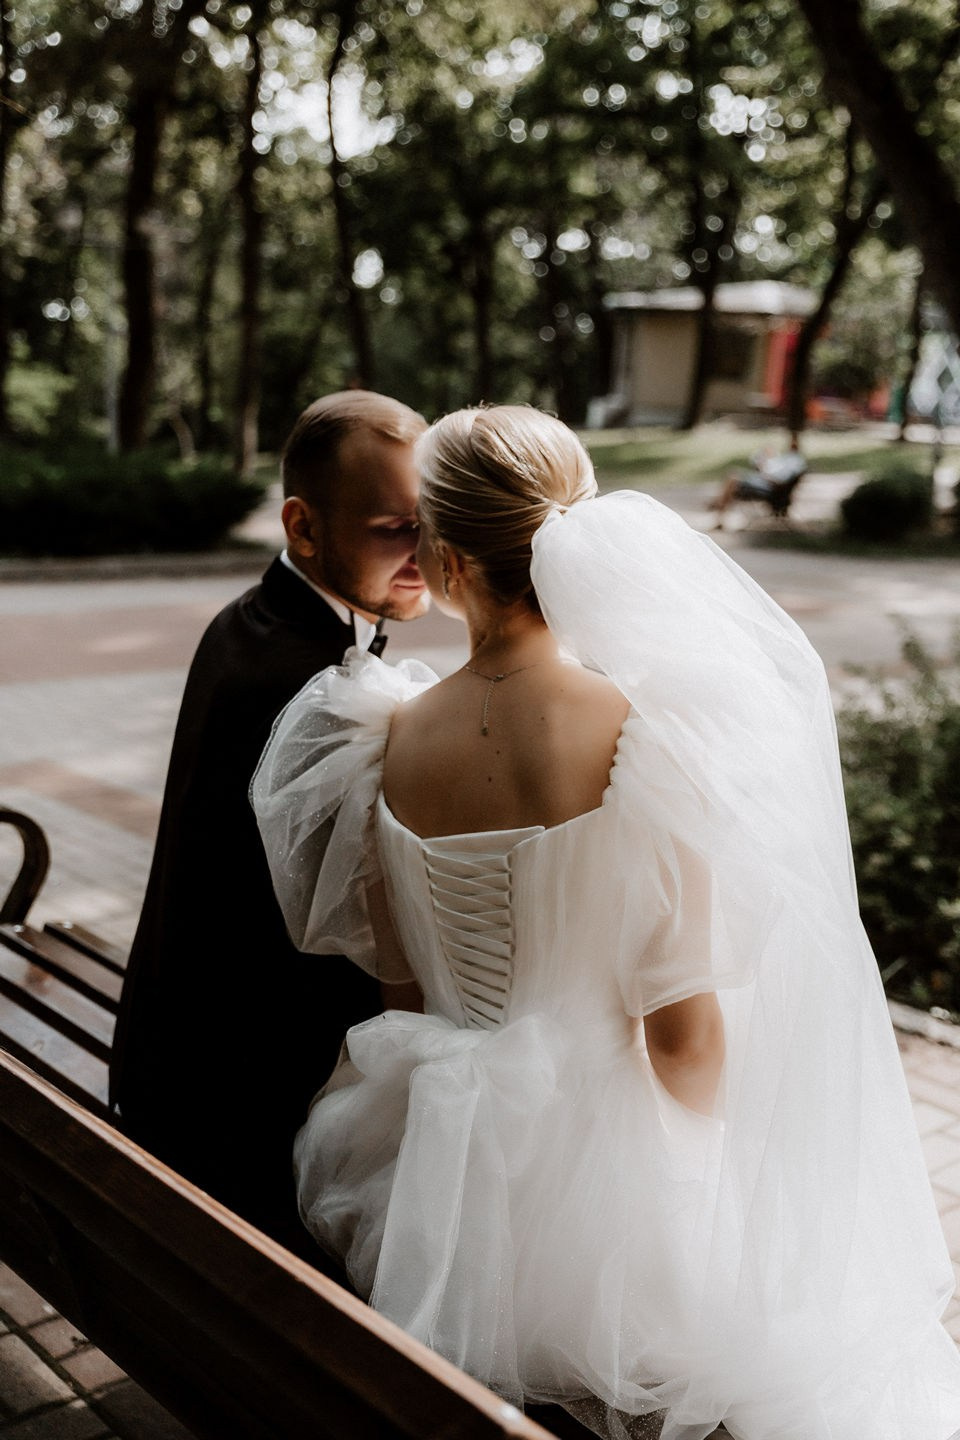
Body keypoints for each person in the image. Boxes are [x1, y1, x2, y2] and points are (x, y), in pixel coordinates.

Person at [252, 406, 960, 1438]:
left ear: (444, 561)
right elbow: (685, 1045)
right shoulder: (644, 742)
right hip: (608, 1206)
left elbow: (401, 991)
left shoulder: (380, 740)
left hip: (436, 1170)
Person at [110, 389, 428, 1258]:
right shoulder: (317, 688)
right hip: (236, 1108)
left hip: (171, 1047)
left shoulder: (249, 624)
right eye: (396, 528)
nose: (426, 553)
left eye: (433, 523)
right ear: (304, 526)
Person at [709, 436, 806, 528]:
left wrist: (765, 474)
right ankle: (717, 505)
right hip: (766, 484)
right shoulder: (789, 459)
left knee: (733, 478)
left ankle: (717, 506)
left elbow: (779, 482)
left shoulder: (795, 461)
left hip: (769, 488)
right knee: (733, 475)